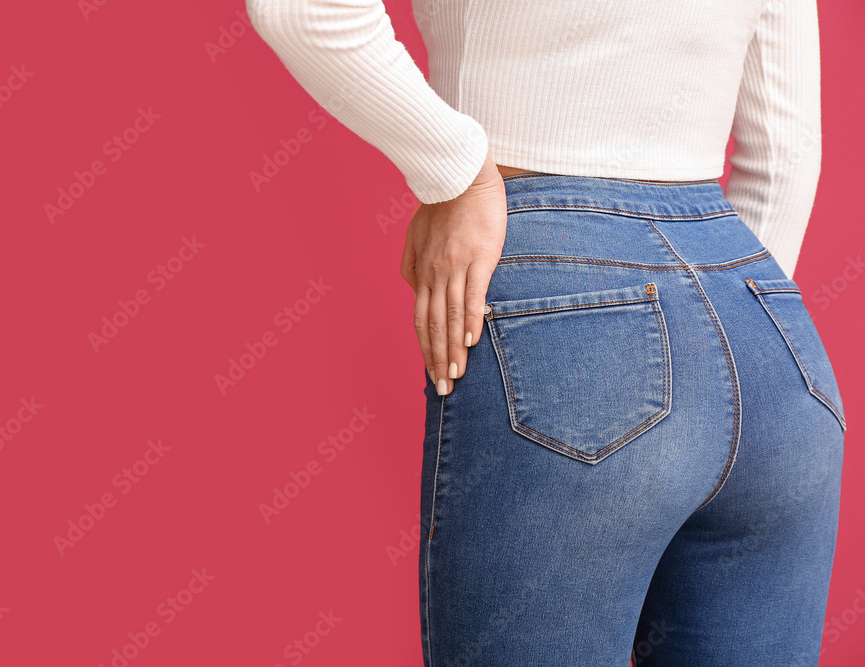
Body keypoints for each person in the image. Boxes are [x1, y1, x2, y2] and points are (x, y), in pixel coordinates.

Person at [245, 0, 847, 664]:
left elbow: (299, 11)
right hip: (773, 351)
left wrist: (458, 173)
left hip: (565, 315)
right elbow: (787, 153)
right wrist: (709, 342)